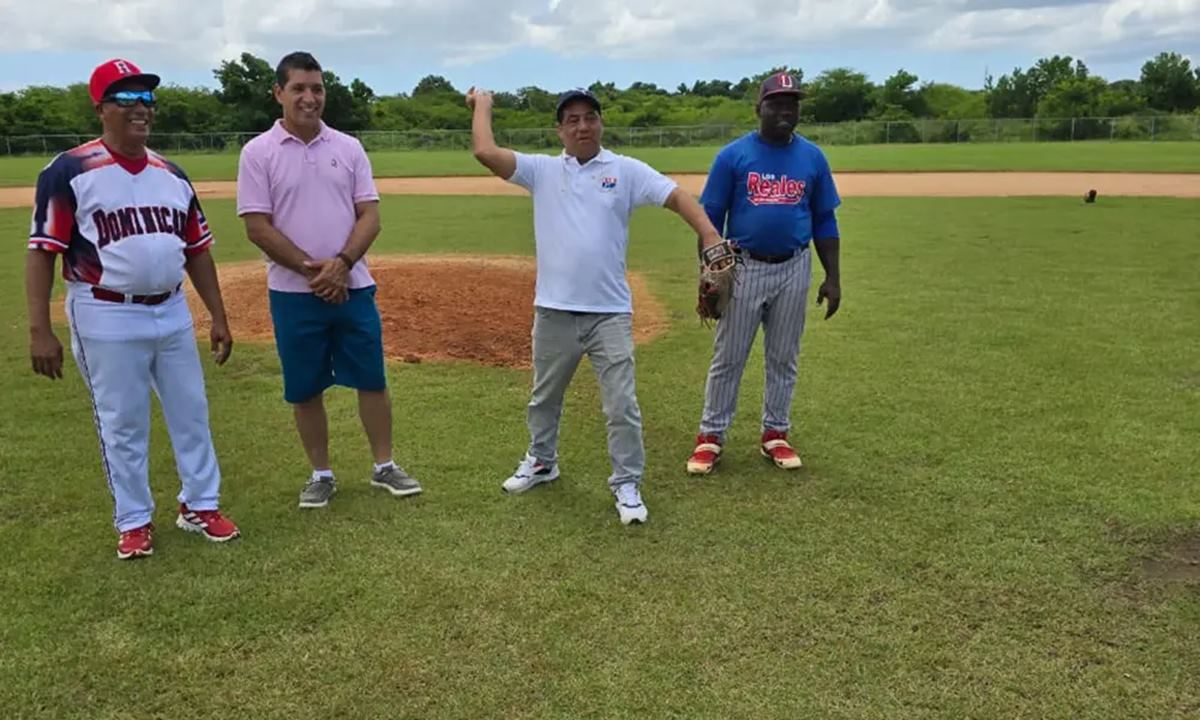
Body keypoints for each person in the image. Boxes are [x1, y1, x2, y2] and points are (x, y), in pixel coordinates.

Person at [466, 85, 726, 525]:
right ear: (560, 130)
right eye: (572, 120)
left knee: (621, 403)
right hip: (554, 310)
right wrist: (484, 107)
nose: (582, 126)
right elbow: (485, 152)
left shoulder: (625, 171)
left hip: (609, 312)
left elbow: (678, 196)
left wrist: (710, 234)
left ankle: (627, 483)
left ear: (601, 123)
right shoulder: (542, 171)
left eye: (590, 117)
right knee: (544, 397)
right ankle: (542, 461)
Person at [26, 58, 240, 560]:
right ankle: (134, 519)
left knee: (192, 411)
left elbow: (197, 250)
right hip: (104, 309)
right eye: (126, 99)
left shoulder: (172, 174)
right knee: (122, 419)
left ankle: (200, 505)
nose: (140, 109)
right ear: (101, 108)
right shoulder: (70, 170)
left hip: (170, 308)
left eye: (146, 99)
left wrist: (218, 315)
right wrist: (40, 329)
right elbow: (42, 251)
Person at [236, 51, 421, 509]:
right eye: (298, 88)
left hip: (353, 286)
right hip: (293, 294)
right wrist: (311, 271)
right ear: (278, 93)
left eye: (317, 88)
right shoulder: (258, 153)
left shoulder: (348, 147)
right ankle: (321, 474)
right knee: (305, 386)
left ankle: (384, 466)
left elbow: (370, 215)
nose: (309, 97)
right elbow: (257, 225)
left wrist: (340, 264)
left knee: (371, 379)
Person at [685, 72, 843, 475]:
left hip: (795, 265)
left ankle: (776, 432)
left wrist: (833, 277)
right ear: (760, 108)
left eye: (793, 103)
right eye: (777, 103)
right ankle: (711, 436)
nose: (786, 110)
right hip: (744, 266)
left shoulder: (812, 158)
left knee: (783, 356)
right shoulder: (734, 156)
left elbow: (824, 220)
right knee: (729, 356)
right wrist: (708, 273)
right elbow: (709, 220)